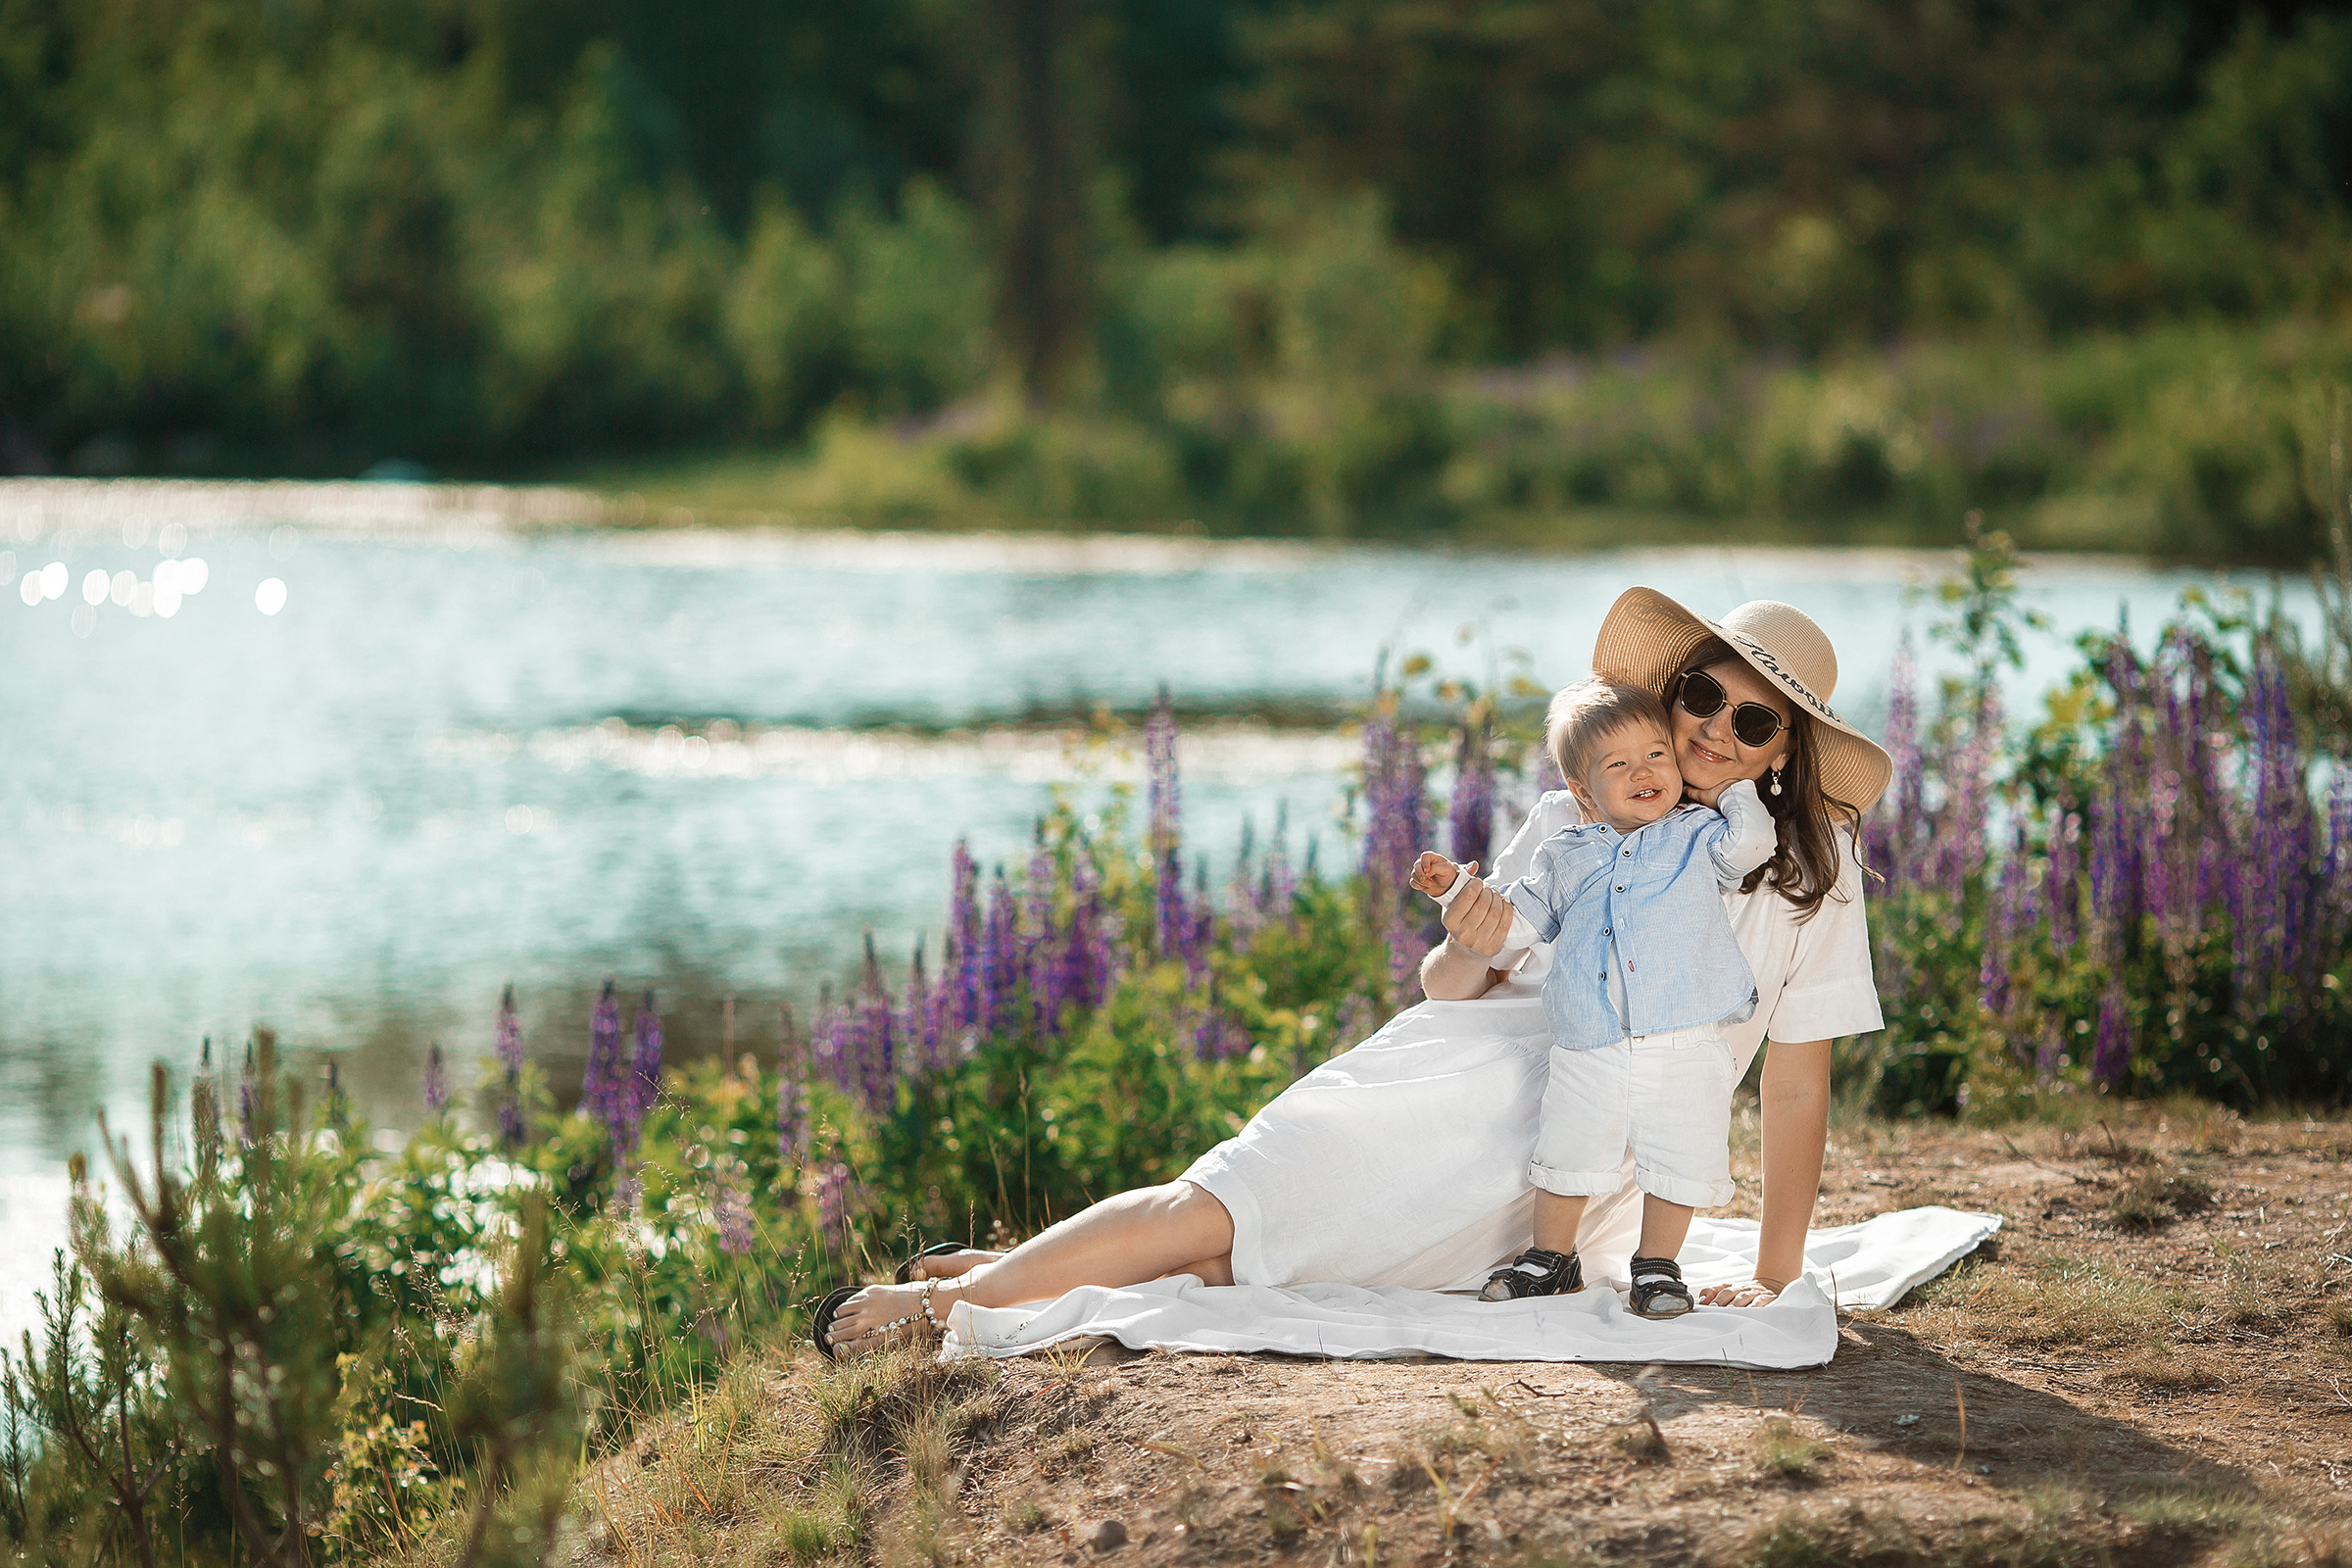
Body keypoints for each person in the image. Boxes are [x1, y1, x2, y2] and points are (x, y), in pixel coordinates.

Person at [813, 589, 1891, 1359]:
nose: (1715, 728)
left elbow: (1796, 1081)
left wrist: (1778, 1271)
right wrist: (1471, 932)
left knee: (1244, 1268)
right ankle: (946, 1309)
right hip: (1457, 1081)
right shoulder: (1577, 814)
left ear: (1783, 749)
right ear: (1673, 689)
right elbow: (1449, 987)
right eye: (1703, 694)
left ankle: (1000, 1273)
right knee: (1219, 1211)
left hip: (1574, 1159)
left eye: (1755, 719)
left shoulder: (1816, 874)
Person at [1408, 679, 1776, 1315]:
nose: (1643, 772)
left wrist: (1730, 789)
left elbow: (1753, 845)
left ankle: (1657, 1267)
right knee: (1567, 1151)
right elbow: (1512, 926)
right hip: (1589, 1038)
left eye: (1656, 755)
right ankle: (1552, 1258)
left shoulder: (1697, 834)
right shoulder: (1565, 855)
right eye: (1618, 765)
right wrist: (1456, 893)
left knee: (1681, 1154)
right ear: (1583, 792)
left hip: (1683, 1037)